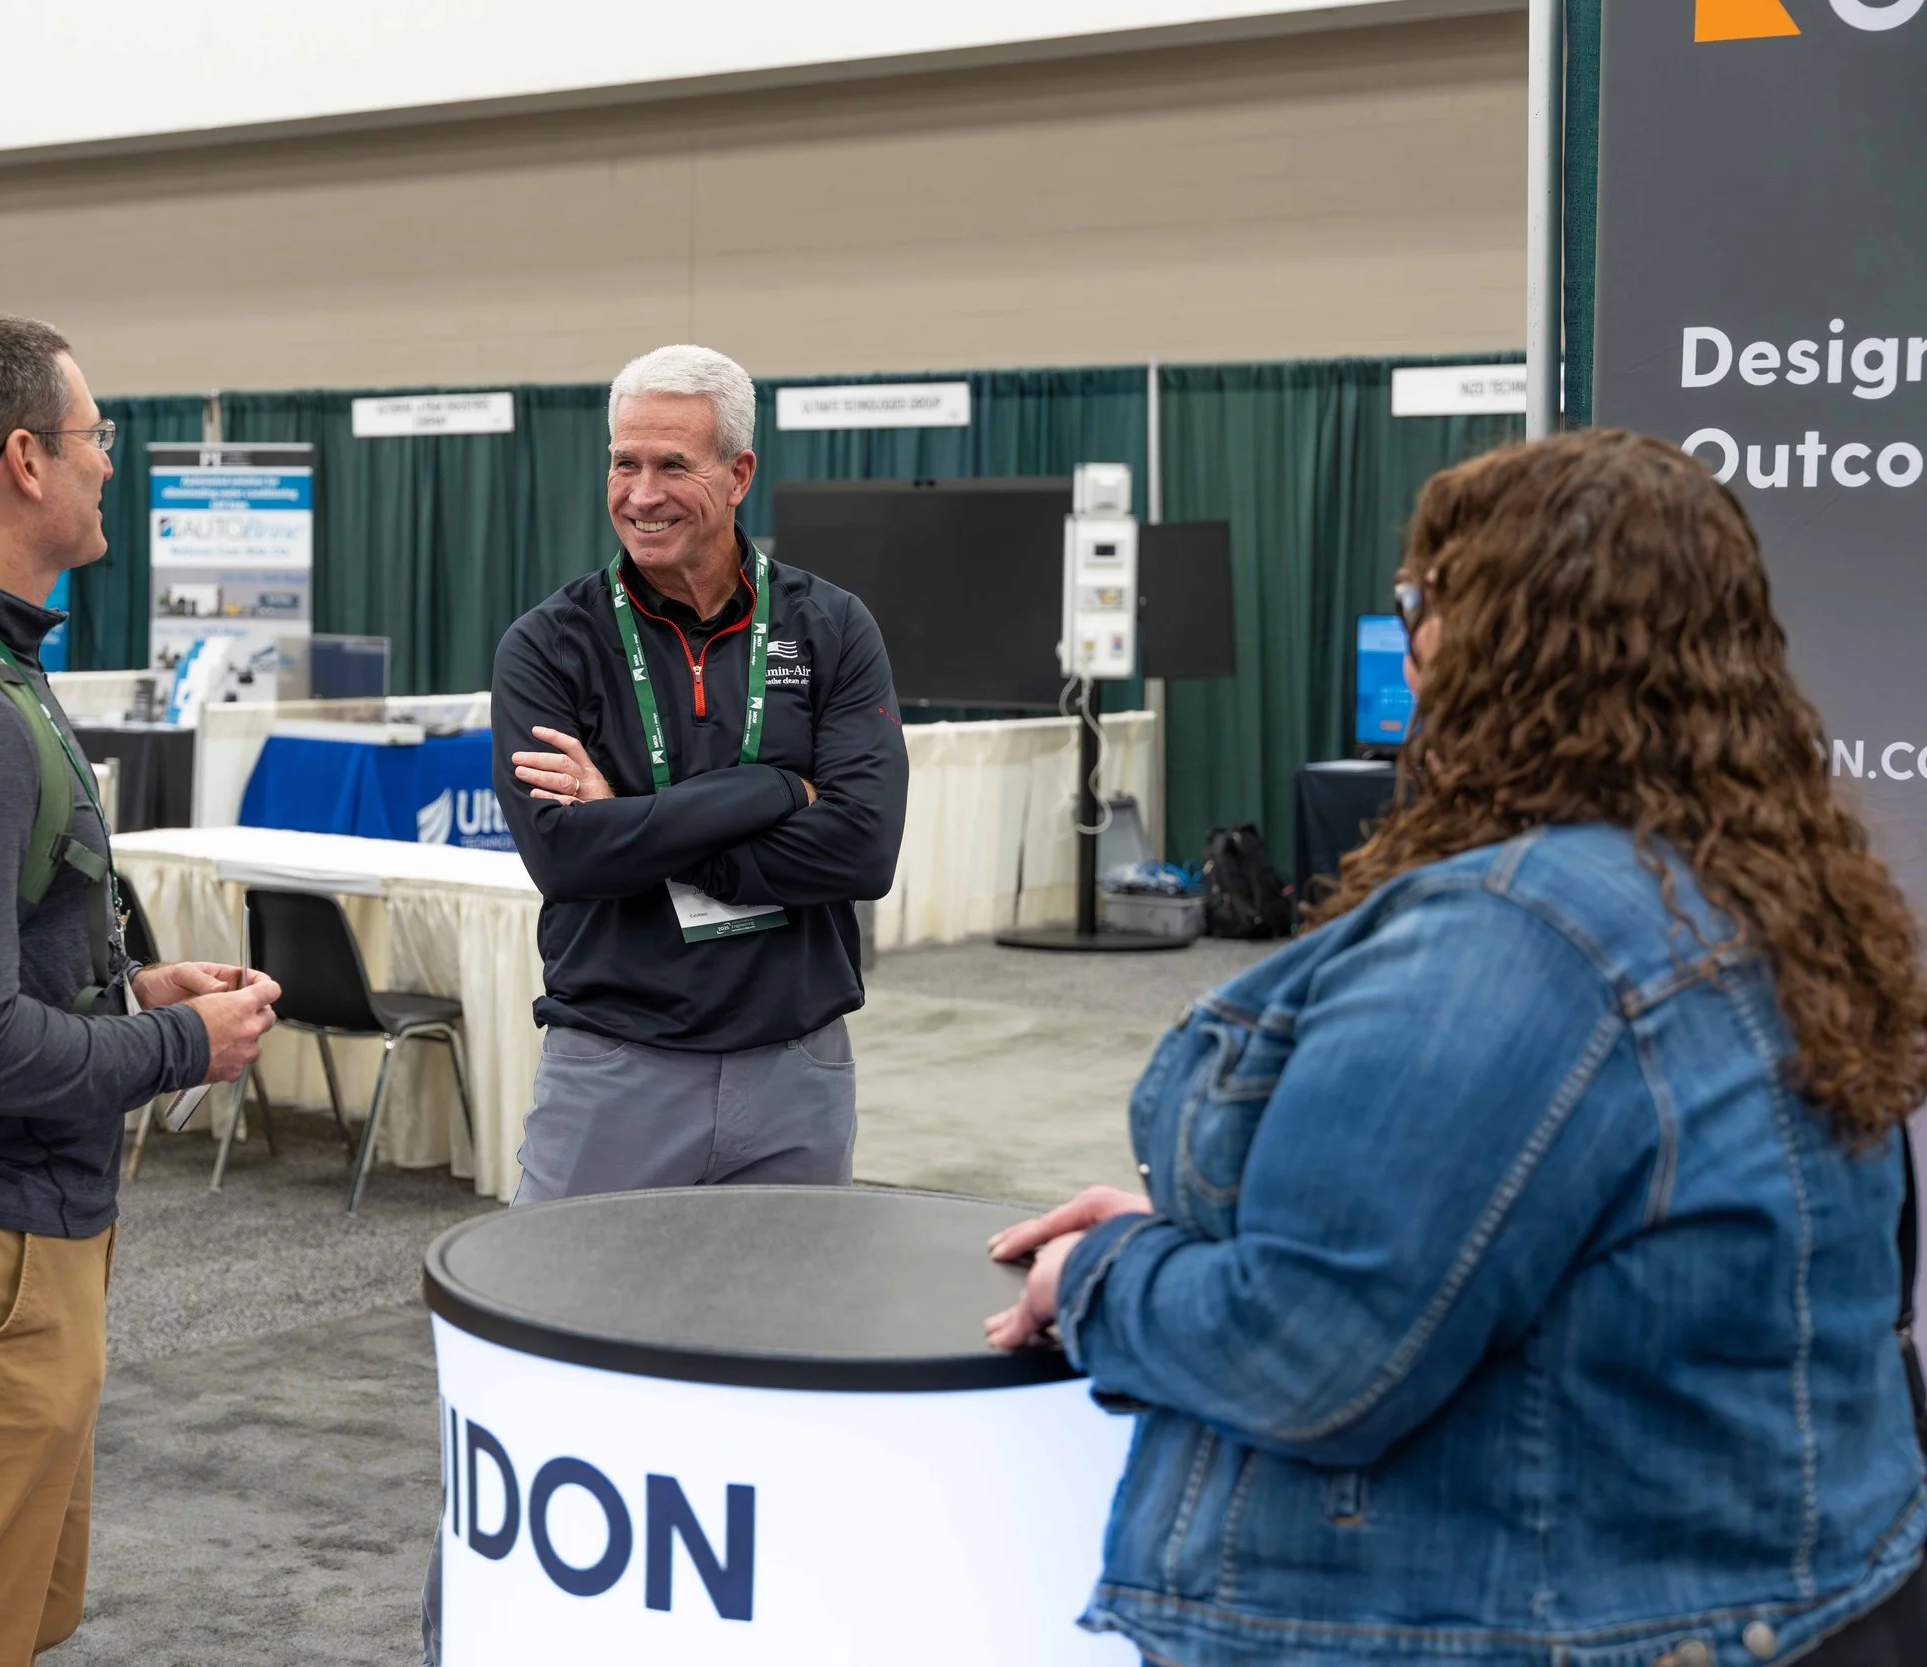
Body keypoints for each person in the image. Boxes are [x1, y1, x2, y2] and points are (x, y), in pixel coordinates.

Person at [987, 429, 1927, 1665]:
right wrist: (1220, 1231)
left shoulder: (1518, 935)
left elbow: (1309, 1354)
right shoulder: (1763, 891)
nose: (1411, 639)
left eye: (1425, 599)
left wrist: (1107, 1273)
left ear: (1511, 643)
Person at [0, 311, 281, 1666]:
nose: (109, 459)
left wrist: (132, 987)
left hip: (13, 1234)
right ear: (23, 457)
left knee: (13, 1612)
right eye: (92, 434)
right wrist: (174, 1043)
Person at [488, 342, 909, 1202]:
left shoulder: (831, 626)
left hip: (798, 1066)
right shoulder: (548, 645)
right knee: (569, 1325)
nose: (641, 495)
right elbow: (567, 860)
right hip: (615, 1062)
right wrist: (777, 791)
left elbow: (863, 851)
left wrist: (637, 820)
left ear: (739, 472)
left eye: (673, 464)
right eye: (624, 463)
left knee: (780, 1332)